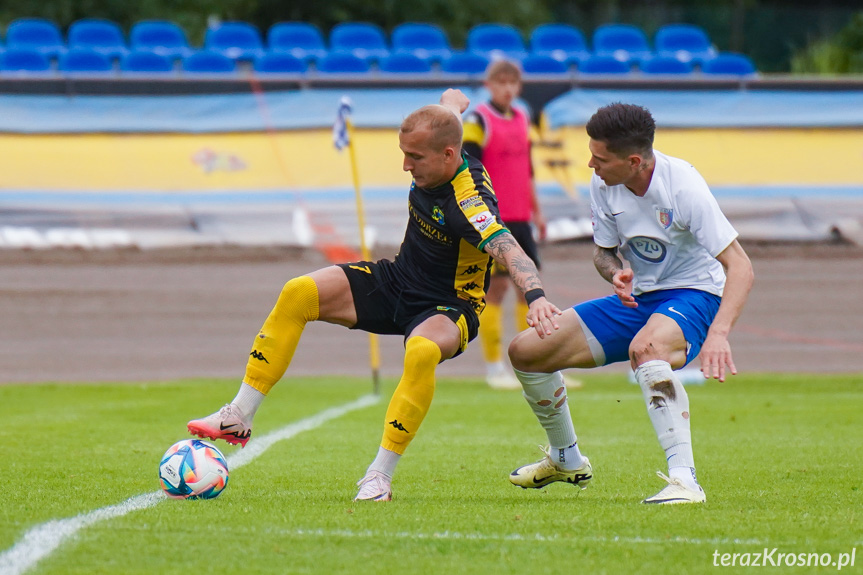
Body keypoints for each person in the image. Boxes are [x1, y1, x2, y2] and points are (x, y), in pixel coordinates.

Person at [187, 89, 562, 502]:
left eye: (414, 158)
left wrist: (537, 296)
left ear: (449, 155)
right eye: (404, 153)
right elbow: (449, 114)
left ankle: (379, 476)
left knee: (420, 351)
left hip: (449, 305)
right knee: (299, 293)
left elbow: (508, 247)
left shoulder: (468, 203)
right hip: (398, 279)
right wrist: (452, 103)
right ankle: (238, 414)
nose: (405, 165)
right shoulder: (447, 139)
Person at [505, 102, 754, 504]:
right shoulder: (603, 183)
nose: (590, 164)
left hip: (694, 295)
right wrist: (614, 271)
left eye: (600, 158)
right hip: (639, 300)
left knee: (647, 349)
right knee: (527, 350)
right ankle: (566, 458)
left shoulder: (684, 188)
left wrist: (720, 333)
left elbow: (740, 267)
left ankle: (685, 482)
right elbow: (603, 253)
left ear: (634, 161)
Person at [461, 59, 548, 390]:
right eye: (501, 82)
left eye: (513, 82)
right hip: (494, 219)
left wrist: (536, 211)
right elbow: (467, 168)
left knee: (530, 289)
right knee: (495, 292)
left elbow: (528, 171)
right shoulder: (477, 120)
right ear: (489, 84)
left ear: (519, 86)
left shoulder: (524, 118)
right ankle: (494, 367)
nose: (507, 88)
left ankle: (536, 362)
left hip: (521, 218)